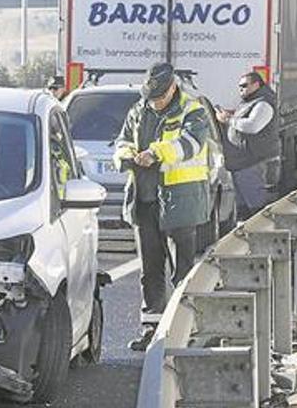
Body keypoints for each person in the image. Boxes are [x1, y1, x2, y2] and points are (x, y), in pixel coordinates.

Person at [114, 62, 211, 351]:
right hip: (144, 201)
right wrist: (125, 155)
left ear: (172, 88)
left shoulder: (192, 110)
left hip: (180, 202)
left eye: (160, 97)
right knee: (150, 270)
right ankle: (152, 329)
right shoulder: (138, 109)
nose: (155, 103)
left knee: (182, 271)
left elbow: (191, 144)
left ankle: (185, 330)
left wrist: (155, 153)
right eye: (151, 98)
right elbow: (121, 140)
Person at [216, 71, 280, 220]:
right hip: (242, 164)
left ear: (256, 84)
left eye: (244, 86)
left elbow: (253, 126)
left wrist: (228, 120)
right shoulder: (250, 102)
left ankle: (262, 238)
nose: (241, 90)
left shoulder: (263, 103)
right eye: (239, 87)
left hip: (253, 163)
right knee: (244, 211)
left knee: (257, 211)